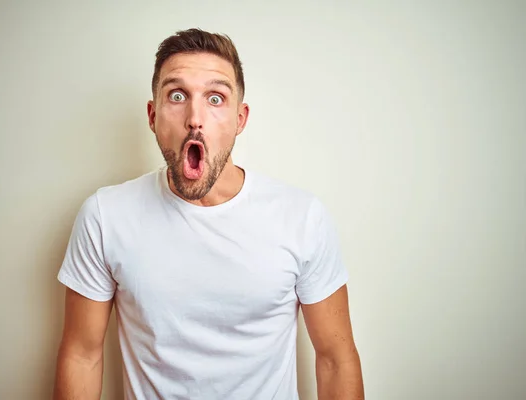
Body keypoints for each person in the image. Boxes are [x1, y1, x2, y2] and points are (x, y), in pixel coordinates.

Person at [53, 28, 364, 400]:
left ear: (240, 119)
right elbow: (82, 356)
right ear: (152, 116)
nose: (195, 118)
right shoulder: (105, 216)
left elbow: (335, 359)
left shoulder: (301, 217)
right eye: (177, 95)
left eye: (215, 98)